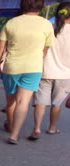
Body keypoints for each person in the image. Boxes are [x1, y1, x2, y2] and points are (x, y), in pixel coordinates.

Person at [0, 0, 54, 144]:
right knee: (23, 102)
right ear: (41, 6)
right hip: (33, 68)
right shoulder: (46, 24)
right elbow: (46, 49)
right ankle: (14, 135)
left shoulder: (11, 23)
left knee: (11, 101)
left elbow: (0, 47)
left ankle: (10, 125)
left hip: (12, 67)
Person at [29, 2, 70, 140]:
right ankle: (52, 128)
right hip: (65, 74)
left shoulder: (49, 28)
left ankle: (37, 128)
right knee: (56, 104)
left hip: (45, 70)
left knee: (41, 101)